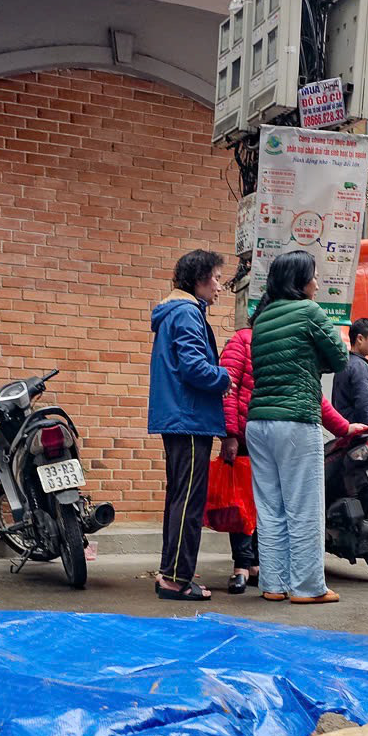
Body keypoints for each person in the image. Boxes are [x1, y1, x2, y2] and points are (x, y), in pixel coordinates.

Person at [219, 325, 357, 593]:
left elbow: (312, 397)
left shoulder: (279, 343)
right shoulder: (244, 340)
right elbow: (228, 386)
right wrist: (230, 433)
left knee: (267, 506)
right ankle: (242, 565)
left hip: (262, 430)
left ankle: (262, 568)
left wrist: (343, 428)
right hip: (251, 435)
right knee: (242, 504)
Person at [245, 250, 350, 604]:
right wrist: (313, 362)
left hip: (258, 422)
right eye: (314, 277)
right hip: (296, 419)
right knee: (304, 507)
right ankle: (307, 588)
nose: (317, 284)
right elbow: (340, 358)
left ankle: (273, 585)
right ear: (300, 281)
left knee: (271, 508)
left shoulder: (261, 319)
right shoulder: (309, 311)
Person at [147, 248, 231, 601]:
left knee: (180, 497)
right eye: (214, 278)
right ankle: (176, 579)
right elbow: (196, 369)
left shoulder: (176, 311)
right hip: (190, 418)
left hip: (181, 417)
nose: (219, 286)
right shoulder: (187, 313)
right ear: (198, 280)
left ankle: (172, 573)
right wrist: (225, 377)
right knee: (189, 501)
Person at [331, 317, 368, 426]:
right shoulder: (359, 366)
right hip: (360, 432)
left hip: (346, 431)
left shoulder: (344, 364)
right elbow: (364, 403)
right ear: (360, 339)